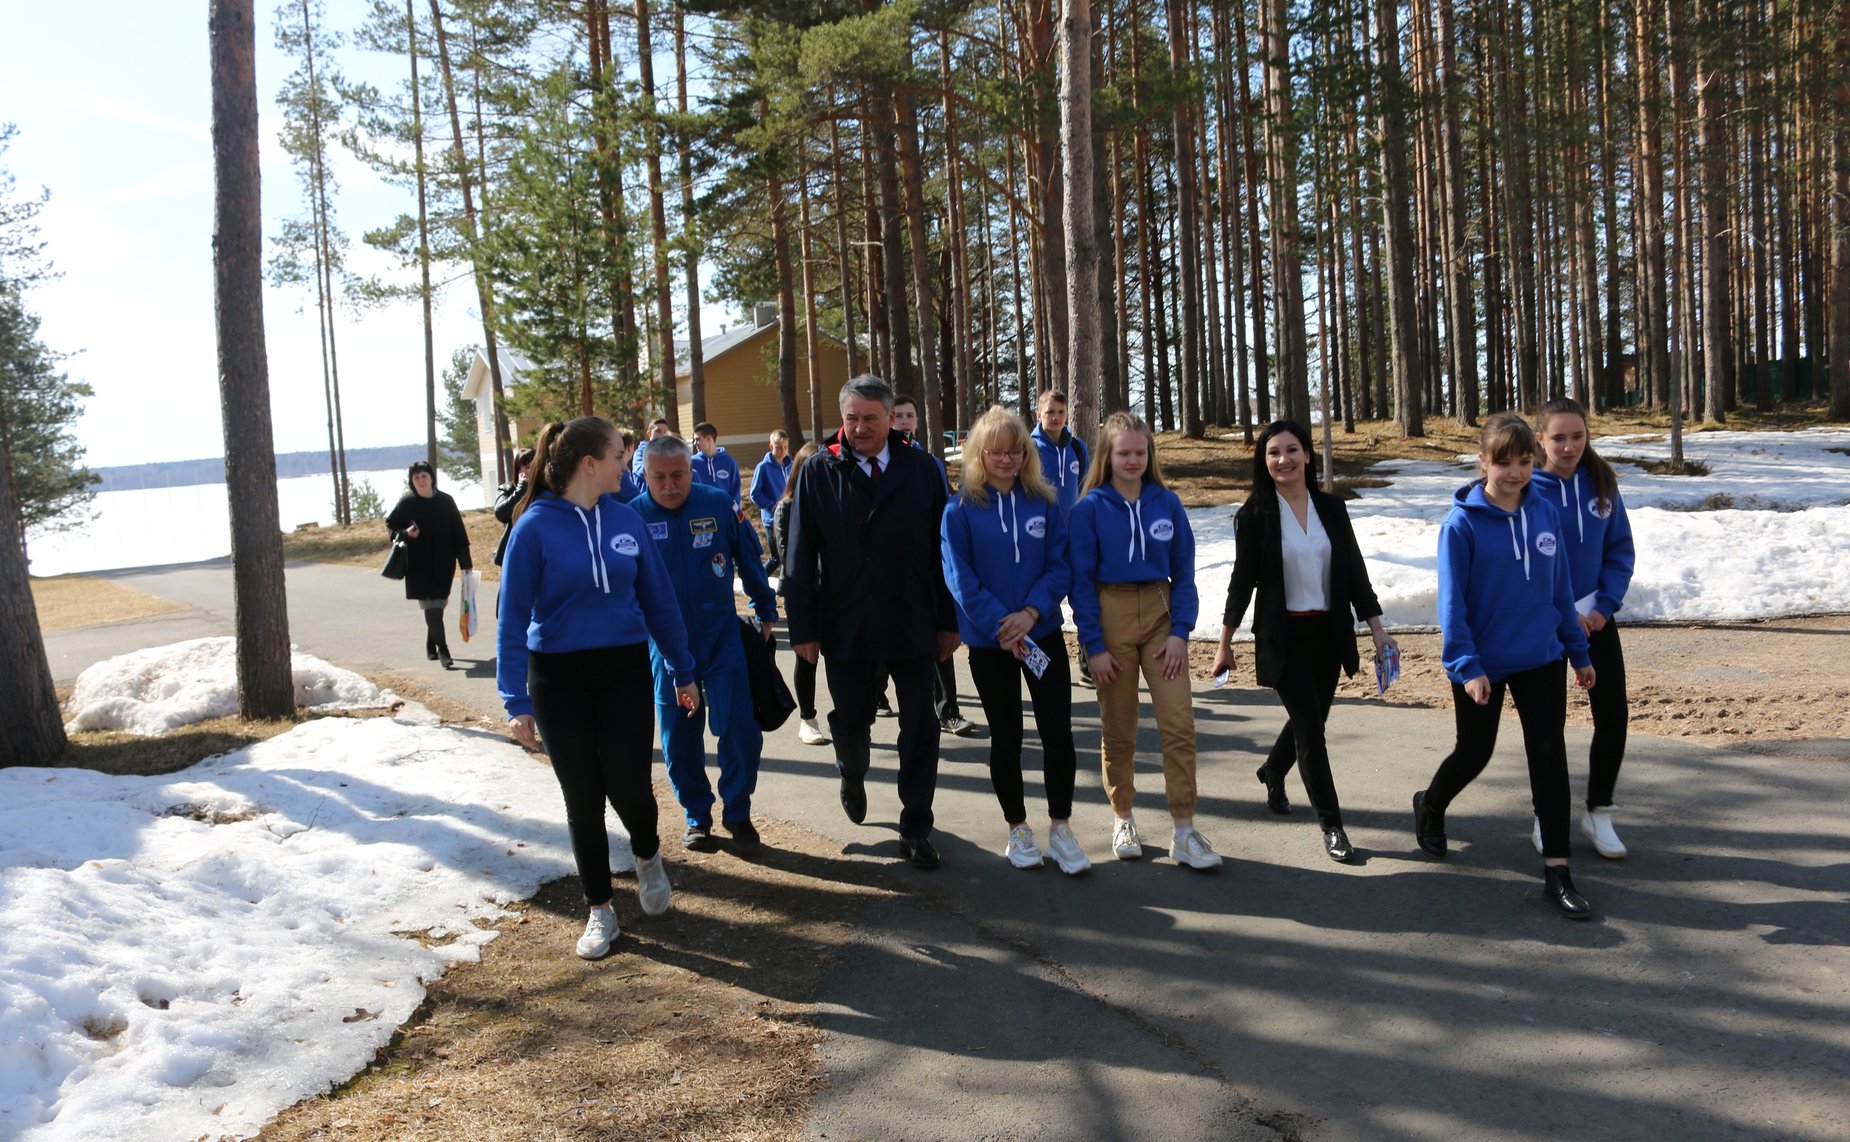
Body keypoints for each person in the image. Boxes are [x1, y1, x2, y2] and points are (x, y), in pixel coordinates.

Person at [497, 417, 699, 959]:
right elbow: (511, 620)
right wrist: (515, 701)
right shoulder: (533, 527)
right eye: (617, 455)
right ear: (589, 463)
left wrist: (683, 669)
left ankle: (648, 854)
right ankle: (600, 911)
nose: (625, 463)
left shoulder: (624, 520)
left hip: (623, 670)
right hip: (557, 677)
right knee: (582, 796)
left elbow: (660, 602)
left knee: (630, 785)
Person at [1412, 412, 1598, 920]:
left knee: (1549, 757)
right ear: (1483, 462)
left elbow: (1560, 591)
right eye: (1504, 462)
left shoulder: (1544, 514)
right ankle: (1431, 803)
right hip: (1484, 663)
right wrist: (1468, 666)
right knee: (1475, 752)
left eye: (1523, 462)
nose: (1515, 473)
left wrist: (1577, 653)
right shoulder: (1462, 525)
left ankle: (1557, 872)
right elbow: (1452, 607)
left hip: (1541, 657)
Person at [786, 375, 961, 870]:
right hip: (848, 626)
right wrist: (803, 628)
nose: (860, 428)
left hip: (912, 623)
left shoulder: (922, 468)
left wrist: (949, 620)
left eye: (871, 418)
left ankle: (916, 826)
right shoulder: (821, 471)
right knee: (853, 723)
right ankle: (851, 770)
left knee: (922, 727)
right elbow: (800, 554)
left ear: (891, 418)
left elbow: (941, 551)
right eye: (851, 418)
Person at [1209, 420, 1397, 864]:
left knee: (1308, 720)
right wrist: (1224, 641)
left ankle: (1272, 770)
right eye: (1273, 453)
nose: (1283, 460)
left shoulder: (1331, 508)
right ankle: (1333, 827)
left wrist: (1377, 626)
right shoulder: (1255, 515)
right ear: (1264, 461)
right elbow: (1242, 582)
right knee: (1311, 731)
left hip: (1327, 636)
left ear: (1307, 455)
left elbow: (1353, 570)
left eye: (1292, 450)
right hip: (1283, 636)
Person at [942, 406, 1090, 875]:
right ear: (978, 454)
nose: (1006, 459)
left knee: (1057, 734)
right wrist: (1001, 625)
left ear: (1025, 453)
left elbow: (1060, 565)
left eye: (1014, 451)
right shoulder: (960, 509)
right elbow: (959, 579)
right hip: (991, 645)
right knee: (1007, 736)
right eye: (996, 452)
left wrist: (1030, 613)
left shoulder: (1042, 502)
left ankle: (1062, 828)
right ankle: (1018, 829)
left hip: (1040, 634)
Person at [1070, 412, 1221, 870]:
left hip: (1161, 615)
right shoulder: (1089, 509)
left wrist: (1181, 632)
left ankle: (1184, 830)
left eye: (1140, 452)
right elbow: (1080, 584)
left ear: (1149, 454)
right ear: (1108, 456)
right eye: (1124, 453)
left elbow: (1186, 573)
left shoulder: (1167, 503)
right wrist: (1093, 646)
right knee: (1120, 729)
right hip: (1110, 616)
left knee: (1179, 725)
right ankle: (1123, 817)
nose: (1133, 460)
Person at [634, 434, 779, 853]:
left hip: (722, 639)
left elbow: (749, 559)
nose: (669, 485)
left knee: (739, 729)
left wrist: (764, 608)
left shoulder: (718, 504)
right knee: (679, 738)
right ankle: (697, 815)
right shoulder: (633, 517)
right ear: (646, 475)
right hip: (665, 649)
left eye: (677, 475)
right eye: (658, 477)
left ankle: (738, 810)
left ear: (691, 470)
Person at [1530, 397, 1636, 858]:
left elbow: (1620, 552)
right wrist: (1559, 610)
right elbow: (1523, 564)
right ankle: (1545, 814)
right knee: (1547, 726)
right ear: (1541, 439)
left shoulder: (1602, 483)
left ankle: (1600, 811)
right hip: (1546, 625)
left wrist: (1604, 606)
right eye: (1558, 437)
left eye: (1577, 436)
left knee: (1612, 716)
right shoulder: (1526, 488)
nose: (1569, 446)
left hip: (1597, 620)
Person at [892, 393, 975, 737]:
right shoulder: (880, 460)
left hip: (926, 567)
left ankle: (947, 710)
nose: (905, 421)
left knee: (938, 639)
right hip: (890, 571)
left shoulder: (929, 463)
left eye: (910, 415)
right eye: (899, 415)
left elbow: (942, 511)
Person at [1030, 389, 1093, 685]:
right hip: (1040, 541)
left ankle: (1087, 662)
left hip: (1074, 540)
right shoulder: (1028, 448)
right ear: (1038, 415)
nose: (1055, 418)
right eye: (1049, 412)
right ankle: (1044, 667)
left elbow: (1086, 489)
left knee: (1084, 600)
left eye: (1060, 412)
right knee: (1046, 604)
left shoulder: (1077, 448)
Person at [385, 460, 473, 669]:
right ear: (411, 482)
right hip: (418, 566)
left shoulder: (446, 501)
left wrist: (465, 564)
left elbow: (459, 534)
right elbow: (391, 526)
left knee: (438, 607)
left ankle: (430, 644)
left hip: (443, 564)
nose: (421, 480)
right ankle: (444, 650)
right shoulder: (406, 504)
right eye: (416, 477)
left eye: (424, 476)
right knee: (432, 609)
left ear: (432, 478)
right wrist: (406, 533)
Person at [774, 442, 830, 746]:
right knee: (807, 657)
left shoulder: (831, 503)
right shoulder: (786, 507)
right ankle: (807, 719)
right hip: (804, 592)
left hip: (834, 593)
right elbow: (790, 556)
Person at [750, 430, 793, 573]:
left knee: (789, 555)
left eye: (785, 447)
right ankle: (759, 583)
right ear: (771, 446)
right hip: (772, 519)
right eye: (778, 447)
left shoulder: (790, 466)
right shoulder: (763, 467)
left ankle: (788, 586)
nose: (782, 451)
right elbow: (755, 493)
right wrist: (772, 506)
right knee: (777, 557)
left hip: (789, 516)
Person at [492, 447, 536, 567]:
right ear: (518, 470)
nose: (532, 471)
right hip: (513, 554)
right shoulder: (506, 489)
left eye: (535, 466)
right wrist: (521, 489)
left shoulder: (544, 491)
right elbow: (501, 514)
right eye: (527, 467)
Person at [690, 422, 743, 514]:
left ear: (708, 438)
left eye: (697, 439)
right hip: (701, 515)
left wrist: (733, 514)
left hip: (725, 515)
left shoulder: (729, 462)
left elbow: (735, 492)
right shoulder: (691, 462)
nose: (695, 443)